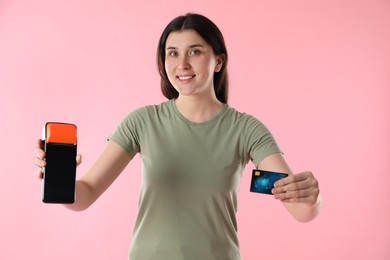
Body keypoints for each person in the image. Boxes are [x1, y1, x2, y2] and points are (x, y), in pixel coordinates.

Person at [34, 13, 321, 260]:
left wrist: (311, 196)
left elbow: (302, 210)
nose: (182, 63)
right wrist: (59, 178)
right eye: (172, 53)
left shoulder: (246, 130)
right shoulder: (142, 122)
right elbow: (85, 195)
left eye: (195, 51)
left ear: (218, 61)